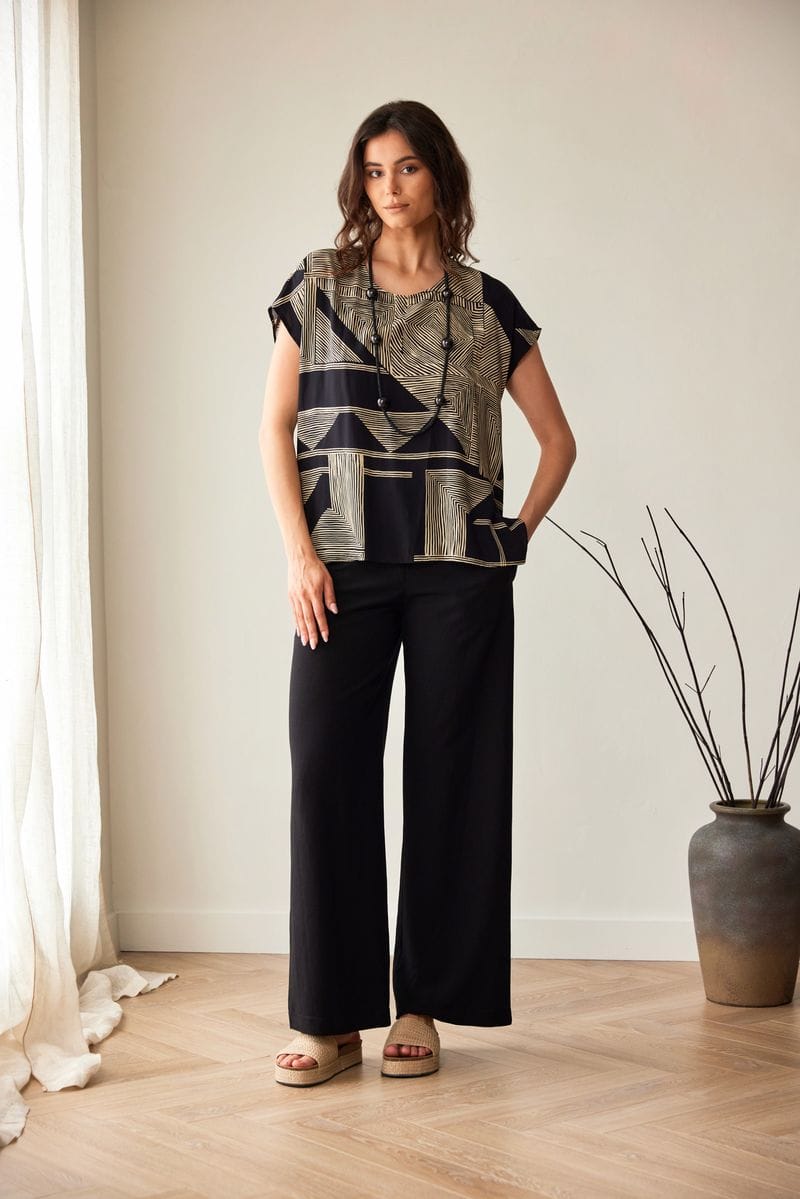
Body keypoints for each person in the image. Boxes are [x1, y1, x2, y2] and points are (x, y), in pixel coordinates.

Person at [259, 99, 577, 1087]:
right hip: (341, 567)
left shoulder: (486, 304)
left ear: (440, 175)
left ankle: (419, 1004)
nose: (388, 188)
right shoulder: (317, 286)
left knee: (452, 785)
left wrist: (513, 538)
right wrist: (299, 555)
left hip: (458, 575)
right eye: (373, 171)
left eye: (405, 168)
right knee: (327, 773)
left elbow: (558, 442)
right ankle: (328, 1018)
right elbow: (274, 427)